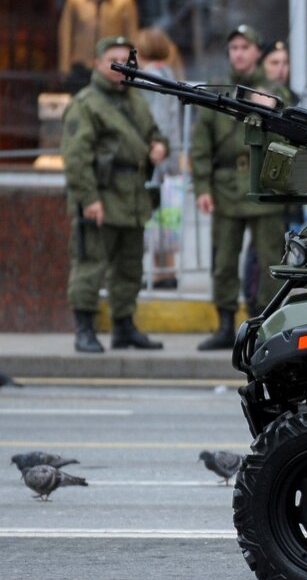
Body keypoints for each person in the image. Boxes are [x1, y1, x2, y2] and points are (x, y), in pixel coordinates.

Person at [62, 36, 168, 353]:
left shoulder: (135, 99)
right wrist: (89, 199)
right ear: (97, 63)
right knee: (90, 264)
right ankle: (84, 329)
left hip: (133, 196)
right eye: (113, 59)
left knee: (129, 266)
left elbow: (153, 133)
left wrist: (160, 146)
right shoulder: (86, 104)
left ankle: (124, 326)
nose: (121, 65)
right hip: (102, 195)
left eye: (126, 59)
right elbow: (76, 158)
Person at [191, 24, 288, 350]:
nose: (240, 54)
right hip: (226, 187)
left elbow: (295, 132)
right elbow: (201, 147)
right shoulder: (219, 91)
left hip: (264, 186)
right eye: (234, 48)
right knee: (224, 260)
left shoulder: (274, 91)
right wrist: (202, 187)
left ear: (258, 52)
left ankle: (264, 323)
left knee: (269, 260)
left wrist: (275, 110)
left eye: (245, 48)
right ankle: (223, 324)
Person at [133, 26, 186, 289]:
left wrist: (154, 149)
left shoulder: (149, 78)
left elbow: (157, 119)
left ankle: (154, 273)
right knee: (167, 217)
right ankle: (167, 270)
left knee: (150, 214)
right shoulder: (169, 74)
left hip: (156, 158)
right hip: (171, 157)